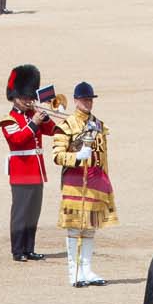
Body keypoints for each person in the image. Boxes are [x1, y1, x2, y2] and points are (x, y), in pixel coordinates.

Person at [51, 82, 111, 289]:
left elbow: (103, 156)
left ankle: (87, 269)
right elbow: (57, 156)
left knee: (90, 229)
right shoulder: (66, 125)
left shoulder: (99, 124)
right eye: (84, 99)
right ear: (76, 100)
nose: (88, 103)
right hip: (74, 183)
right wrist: (76, 156)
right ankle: (74, 272)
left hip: (95, 181)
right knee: (75, 228)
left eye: (90, 99)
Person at [0, 64, 54, 263]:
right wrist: (35, 123)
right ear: (15, 97)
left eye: (30, 97)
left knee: (33, 212)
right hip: (21, 171)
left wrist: (45, 116)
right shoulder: (9, 119)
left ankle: (29, 248)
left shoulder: (34, 115)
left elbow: (53, 131)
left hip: (37, 171)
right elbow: (18, 140)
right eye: (25, 98)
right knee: (21, 213)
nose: (28, 101)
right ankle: (17, 249)